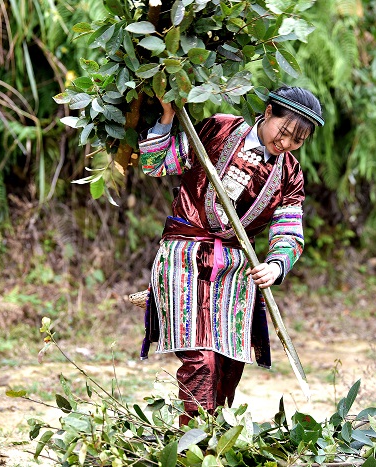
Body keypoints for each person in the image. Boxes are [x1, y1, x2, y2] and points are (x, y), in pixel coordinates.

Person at [138, 86, 324, 425]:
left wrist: (276, 264)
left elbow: (289, 231)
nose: (284, 144)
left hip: (237, 272)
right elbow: (156, 164)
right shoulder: (219, 129)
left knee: (227, 365)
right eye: (282, 133)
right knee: (201, 360)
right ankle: (192, 448)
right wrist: (167, 116)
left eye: (295, 142)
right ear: (268, 112)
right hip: (185, 259)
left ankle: (216, 440)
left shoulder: (290, 175)